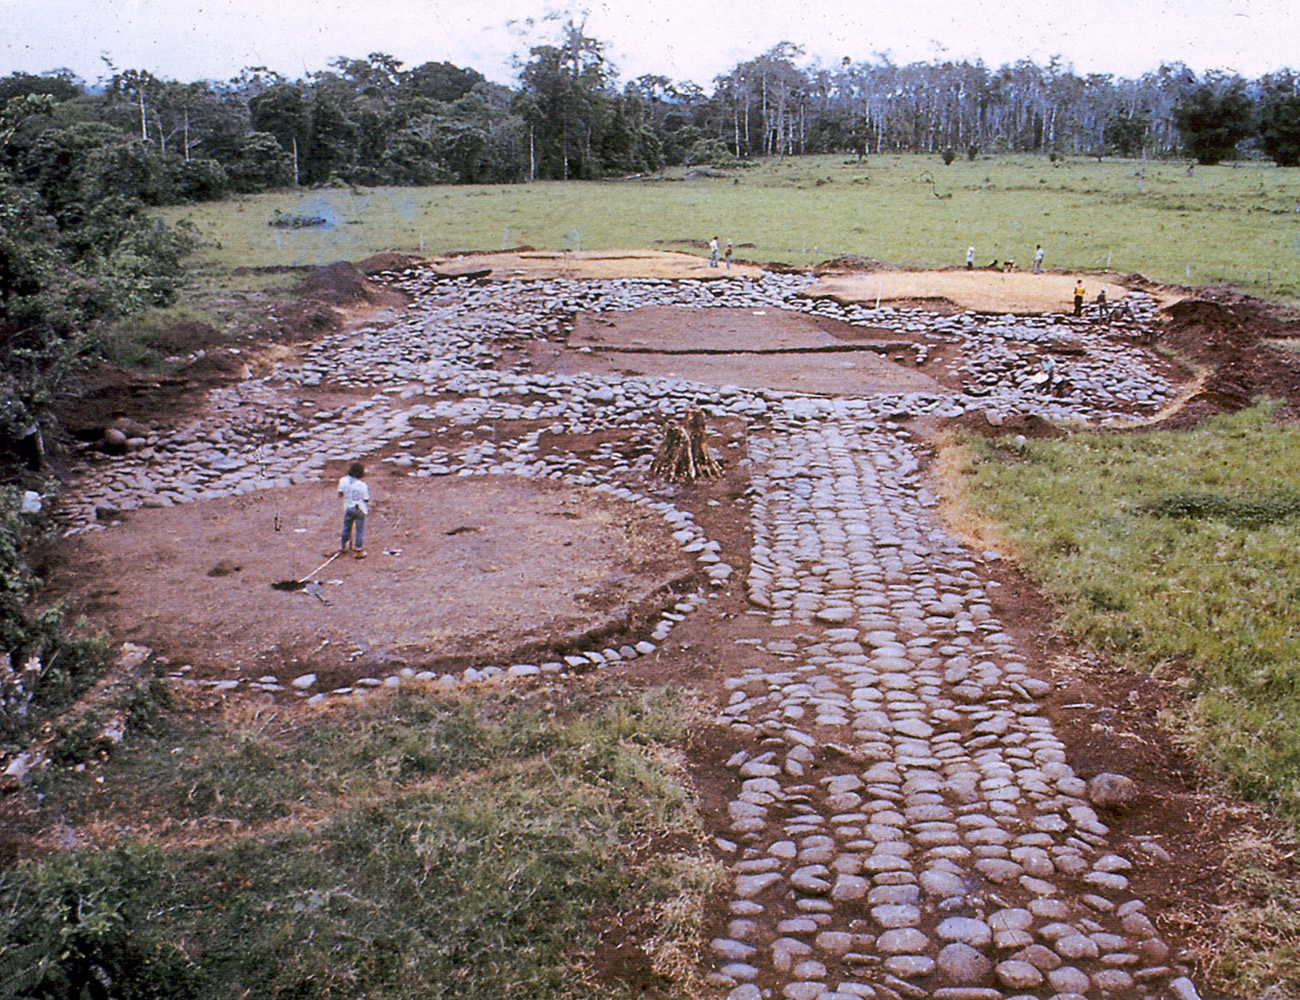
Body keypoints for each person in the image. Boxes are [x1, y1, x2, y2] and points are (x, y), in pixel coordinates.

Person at [338, 461, 370, 558]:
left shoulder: (343, 480)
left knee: (346, 527)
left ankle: (344, 546)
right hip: (359, 508)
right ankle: (359, 549)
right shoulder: (362, 485)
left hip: (348, 507)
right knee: (359, 529)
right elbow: (366, 499)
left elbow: (340, 494)